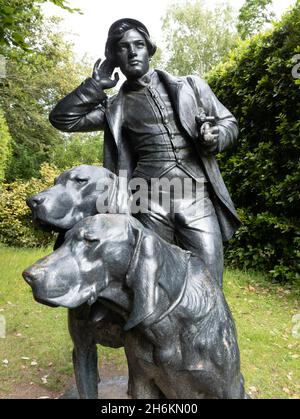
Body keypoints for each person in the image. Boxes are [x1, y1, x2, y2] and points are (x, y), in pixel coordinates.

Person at [49, 18, 241, 286]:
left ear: (149, 49)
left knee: (209, 276)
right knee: (155, 281)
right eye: (123, 47)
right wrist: (94, 86)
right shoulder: (114, 106)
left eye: (139, 44)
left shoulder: (190, 86)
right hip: (147, 199)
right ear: (115, 57)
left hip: (196, 195)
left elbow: (228, 122)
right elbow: (62, 119)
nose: (132, 51)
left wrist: (216, 136)